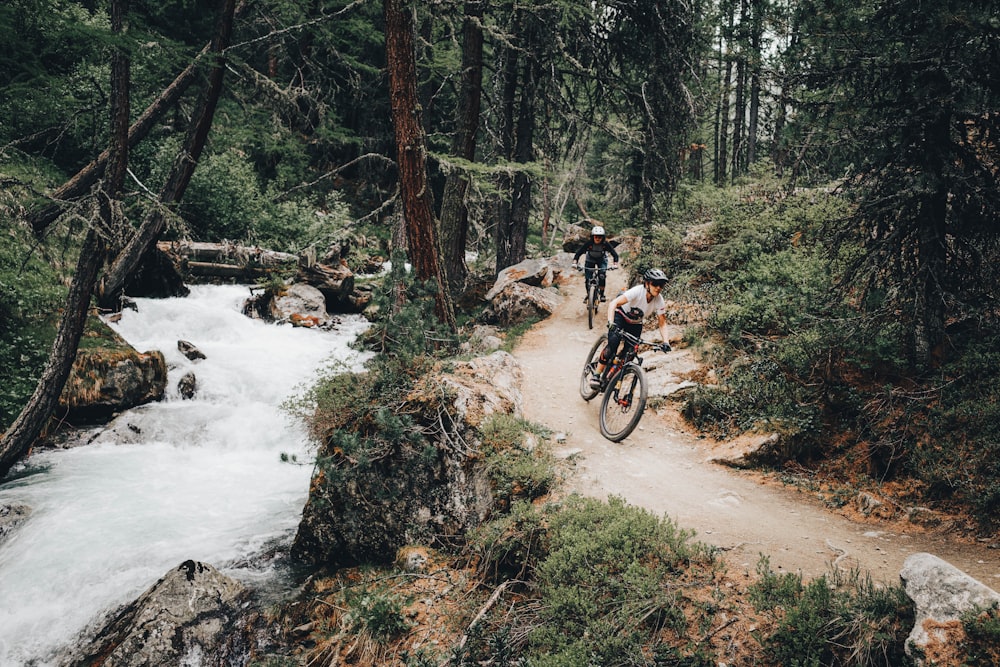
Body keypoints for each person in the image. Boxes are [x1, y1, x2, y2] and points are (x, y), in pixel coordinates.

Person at [590, 268, 672, 389]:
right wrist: (610, 322)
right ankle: (596, 375)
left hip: (635, 323)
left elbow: (662, 323)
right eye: (655, 284)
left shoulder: (659, 300)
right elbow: (614, 304)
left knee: (630, 354)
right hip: (620, 316)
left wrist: (666, 341)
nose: (658, 288)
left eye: (662, 285)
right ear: (647, 283)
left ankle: (611, 378)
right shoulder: (637, 291)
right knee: (613, 343)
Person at [573, 224, 619, 302]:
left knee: (602, 276)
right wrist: (575, 262)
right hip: (590, 259)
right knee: (588, 278)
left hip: (602, 260)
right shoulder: (589, 243)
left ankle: (602, 294)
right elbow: (579, 252)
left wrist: (615, 264)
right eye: (596, 236)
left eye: (600, 237)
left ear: (603, 237)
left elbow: (614, 254)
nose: (598, 238)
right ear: (593, 236)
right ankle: (588, 294)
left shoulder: (605, 244)